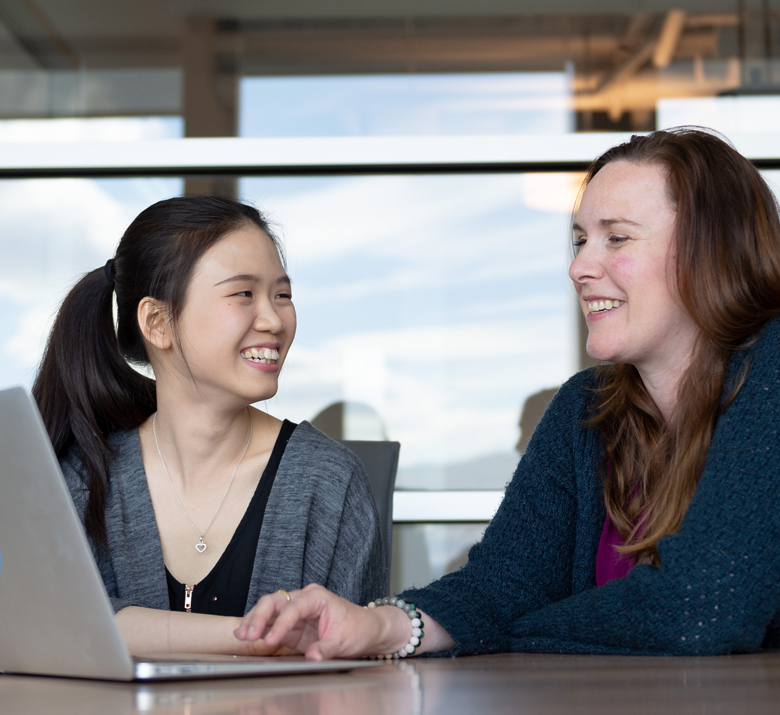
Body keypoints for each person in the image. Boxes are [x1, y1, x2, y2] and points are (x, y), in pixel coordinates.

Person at [234, 127, 780, 659]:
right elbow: (499, 588)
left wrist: (515, 628)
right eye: (581, 240)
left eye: (617, 238)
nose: (580, 268)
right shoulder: (586, 408)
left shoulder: (772, 369)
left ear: (713, 250)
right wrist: (377, 625)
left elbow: (703, 609)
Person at [34, 196, 386, 655]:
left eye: (282, 295)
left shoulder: (329, 483)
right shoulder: (85, 479)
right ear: (158, 322)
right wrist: (261, 641)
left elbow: (361, 664)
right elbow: (50, 628)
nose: (273, 319)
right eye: (244, 294)